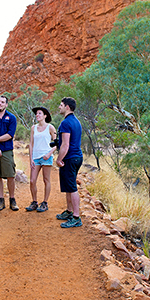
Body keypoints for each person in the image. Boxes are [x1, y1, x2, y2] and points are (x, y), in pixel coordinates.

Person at [55, 97, 83, 228]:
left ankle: (76, 217)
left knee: (72, 187)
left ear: (67, 107)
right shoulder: (76, 121)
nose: (59, 107)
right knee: (68, 185)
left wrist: (59, 159)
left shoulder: (66, 123)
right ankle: (69, 211)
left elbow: (65, 145)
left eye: (61, 105)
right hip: (76, 157)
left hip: (70, 158)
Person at [26, 106, 56, 213]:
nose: (37, 115)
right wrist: (31, 159)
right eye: (36, 114)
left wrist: (49, 154)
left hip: (46, 157)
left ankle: (45, 203)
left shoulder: (50, 128)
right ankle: (34, 202)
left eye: (39, 113)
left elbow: (57, 143)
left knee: (46, 180)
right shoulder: (33, 128)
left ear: (45, 115)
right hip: (36, 157)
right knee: (32, 180)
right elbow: (31, 143)